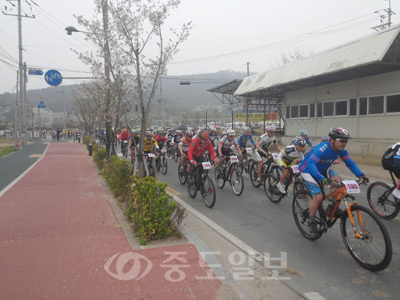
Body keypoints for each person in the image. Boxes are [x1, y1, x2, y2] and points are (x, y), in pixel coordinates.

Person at [299, 127, 369, 236]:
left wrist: (361, 175)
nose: (344, 143)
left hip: (323, 169)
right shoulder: (322, 148)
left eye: (346, 141)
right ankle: (311, 220)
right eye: (341, 140)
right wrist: (322, 179)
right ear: (332, 140)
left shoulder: (341, 151)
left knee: (338, 183)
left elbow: (350, 163)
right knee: (318, 197)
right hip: (307, 170)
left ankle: (333, 208)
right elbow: (311, 164)